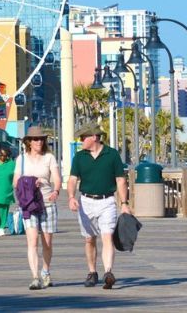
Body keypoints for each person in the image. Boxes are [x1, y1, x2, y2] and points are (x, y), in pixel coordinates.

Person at [66, 123, 130, 290]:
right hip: (86, 201)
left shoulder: (112, 155)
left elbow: (120, 180)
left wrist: (124, 204)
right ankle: (92, 271)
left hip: (107, 201)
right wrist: (71, 197)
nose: (81, 141)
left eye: (83, 137)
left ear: (94, 137)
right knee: (89, 239)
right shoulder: (79, 157)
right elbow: (72, 179)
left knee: (107, 236)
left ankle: (108, 272)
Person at [14, 126, 61, 290]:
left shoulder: (49, 157)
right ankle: (35, 277)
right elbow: (15, 182)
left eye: (41, 139)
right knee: (32, 241)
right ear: (28, 142)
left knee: (47, 243)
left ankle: (45, 271)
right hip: (29, 204)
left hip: (47, 202)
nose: (38, 141)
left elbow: (57, 177)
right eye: (35, 139)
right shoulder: (21, 159)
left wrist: (55, 190)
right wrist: (29, 182)